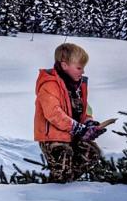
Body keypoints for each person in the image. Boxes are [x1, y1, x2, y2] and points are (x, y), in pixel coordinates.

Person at [34, 42, 106, 183]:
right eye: (79, 68)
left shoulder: (77, 87)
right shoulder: (49, 84)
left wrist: (89, 123)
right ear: (64, 65)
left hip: (72, 134)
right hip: (53, 137)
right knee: (63, 160)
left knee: (91, 152)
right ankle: (57, 187)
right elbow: (53, 114)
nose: (83, 72)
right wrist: (78, 128)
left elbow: (84, 109)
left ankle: (68, 184)